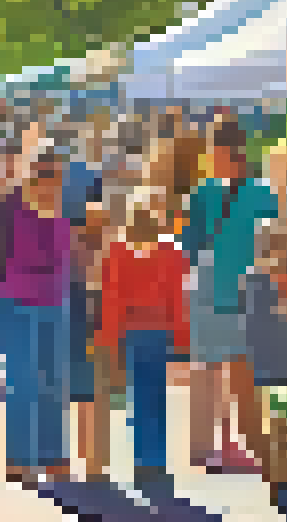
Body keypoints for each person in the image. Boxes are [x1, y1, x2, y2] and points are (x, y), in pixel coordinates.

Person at [180, 122, 279, 475]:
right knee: (213, 371)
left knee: (231, 371)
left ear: (228, 153)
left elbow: (188, 247)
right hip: (224, 291)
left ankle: (230, 444)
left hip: (226, 290)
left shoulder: (227, 194)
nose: (209, 158)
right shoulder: (256, 194)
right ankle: (214, 446)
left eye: (212, 151)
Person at [0, 151, 73, 484]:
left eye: (55, 177)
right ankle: (19, 459)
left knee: (54, 383)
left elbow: (73, 254)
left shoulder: (65, 207)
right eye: (43, 175)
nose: (50, 183)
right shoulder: (12, 205)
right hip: (18, 302)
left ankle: (54, 457)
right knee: (23, 381)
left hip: (56, 302)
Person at [99, 189, 190, 491]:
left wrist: (110, 339)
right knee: (156, 399)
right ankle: (155, 463)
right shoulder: (172, 253)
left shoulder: (117, 252)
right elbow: (178, 300)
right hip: (159, 334)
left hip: (132, 335)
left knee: (137, 400)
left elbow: (112, 300)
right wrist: (181, 337)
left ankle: (141, 463)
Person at [65, 137, 112, 483]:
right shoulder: (98, 236)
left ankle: (68, 462)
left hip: (67, 305)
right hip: (91, 309)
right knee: (93, 392)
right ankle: (93, 463)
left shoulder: (60, 236)